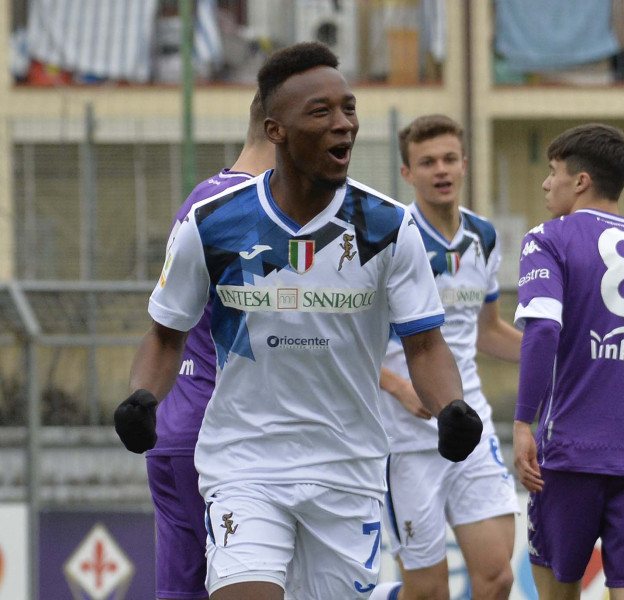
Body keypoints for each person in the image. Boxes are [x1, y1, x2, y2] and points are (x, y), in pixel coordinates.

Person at [114, 42, 483, 600]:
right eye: (322, 113)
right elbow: (166, 336)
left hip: (348, 471)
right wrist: (143, 397)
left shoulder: (387, 227)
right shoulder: (213, 224)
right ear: (276, 129)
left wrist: (451, 407)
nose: (344, 126)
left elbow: (426, 347)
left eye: (349, 109)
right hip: (244, 466)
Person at [512, 123, 624, 600]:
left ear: (581, 181)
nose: (546, 183)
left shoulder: (547, 238)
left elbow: (543, 330)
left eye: (553, 172)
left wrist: (521, 424)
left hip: (569, 454)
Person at [370, 115, 521, 600]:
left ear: (464, 164)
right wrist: (399, 385)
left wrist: (567, 356)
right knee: (428, 593)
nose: (441, 170)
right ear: (407, 173)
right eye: (427, 161)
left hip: (469, 426)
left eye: (449, 159)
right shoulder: (389, 238)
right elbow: (345, 344)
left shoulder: (484, 237)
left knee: (497, 578)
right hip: (406, 442)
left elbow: (488, 332)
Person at [144, 91, 275, 600]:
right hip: (210, 430)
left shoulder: (208, 195)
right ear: (276, 129)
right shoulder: (242, 209)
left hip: (187, 426)